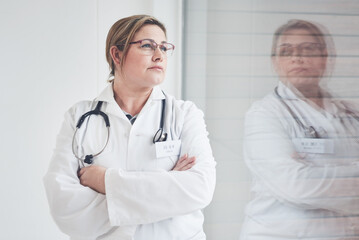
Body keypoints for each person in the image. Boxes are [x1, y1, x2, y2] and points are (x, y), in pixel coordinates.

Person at [43, 15, 216, 240]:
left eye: (164, 48)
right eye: (147, 46)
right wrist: (164, 189)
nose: (159, 55)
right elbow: (63, 206)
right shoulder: (79, 117)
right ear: (117, 54)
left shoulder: (185, 115)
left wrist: (105, 181)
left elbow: (199, 189)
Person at [241, 19, 359, 239]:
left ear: (325, 58)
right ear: (275, 62)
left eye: (308, 49)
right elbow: (296, 185)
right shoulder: (264, 114)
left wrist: (316, 173)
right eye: (286, 51)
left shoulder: (351, 115)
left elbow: (312, 184)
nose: (297, 57)